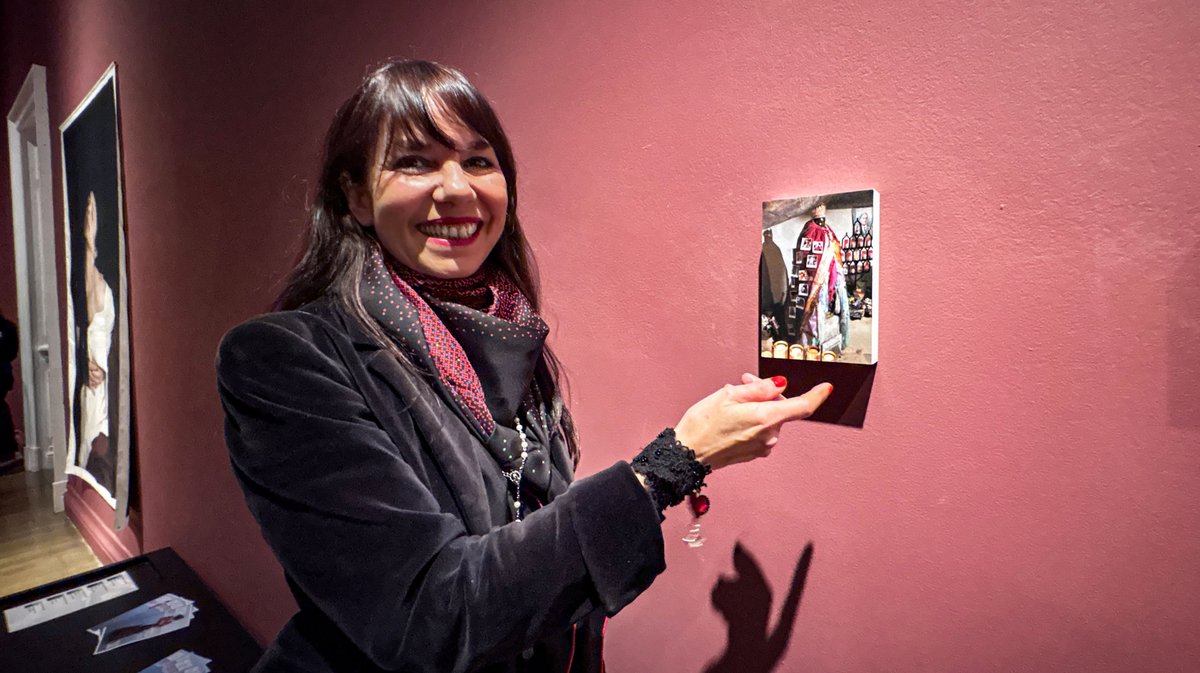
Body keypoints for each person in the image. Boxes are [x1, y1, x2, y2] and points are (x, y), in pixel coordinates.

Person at [216, 60, 832, 673]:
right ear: (355, 196)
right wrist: (670, 466)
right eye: (415, 162)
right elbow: (431, 619)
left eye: (477, 161)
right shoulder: (285, 358)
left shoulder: (508, 336)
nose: (457, 189)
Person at [78, 192, 116, 488]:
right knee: (93, 421)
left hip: (102, 361)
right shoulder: (96, 283)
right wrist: (89, 239)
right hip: (98, 361)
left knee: (99, 420)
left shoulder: (104, 281)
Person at [796, 203, 850, 352]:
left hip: (834, 272)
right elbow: (806, 256)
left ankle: (839, 341)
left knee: (840, 306)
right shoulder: (810, 231)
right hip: (818, 279)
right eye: (819, 219)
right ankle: (813, 346)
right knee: (816, 310)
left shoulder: (828, 230)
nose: (822, 221)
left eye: (823, 218)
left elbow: (836, 251)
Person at [0, 307, 19, 472]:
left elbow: (12, 351)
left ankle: (7, 450)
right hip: (4, 371)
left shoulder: (7, 328)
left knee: (1, 409)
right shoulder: (8, 327)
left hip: (2, 373)